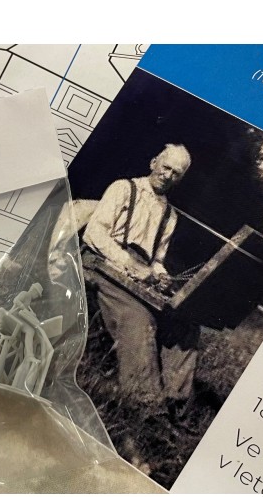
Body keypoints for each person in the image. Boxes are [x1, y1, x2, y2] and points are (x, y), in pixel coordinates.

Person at [82, 144, 200, 407]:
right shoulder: (123, 188)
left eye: (176, 173)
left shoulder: (170, 216)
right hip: (100, 265)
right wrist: (130, 264)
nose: (168, 175)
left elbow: (156, 260)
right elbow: (94, 233)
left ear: (179, 179)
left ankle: (175, 401)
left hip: (135, 279)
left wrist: (160, 275)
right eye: (166, 167)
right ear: (153, 162)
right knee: (138, 316)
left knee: (186, 326)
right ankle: (144, 402)